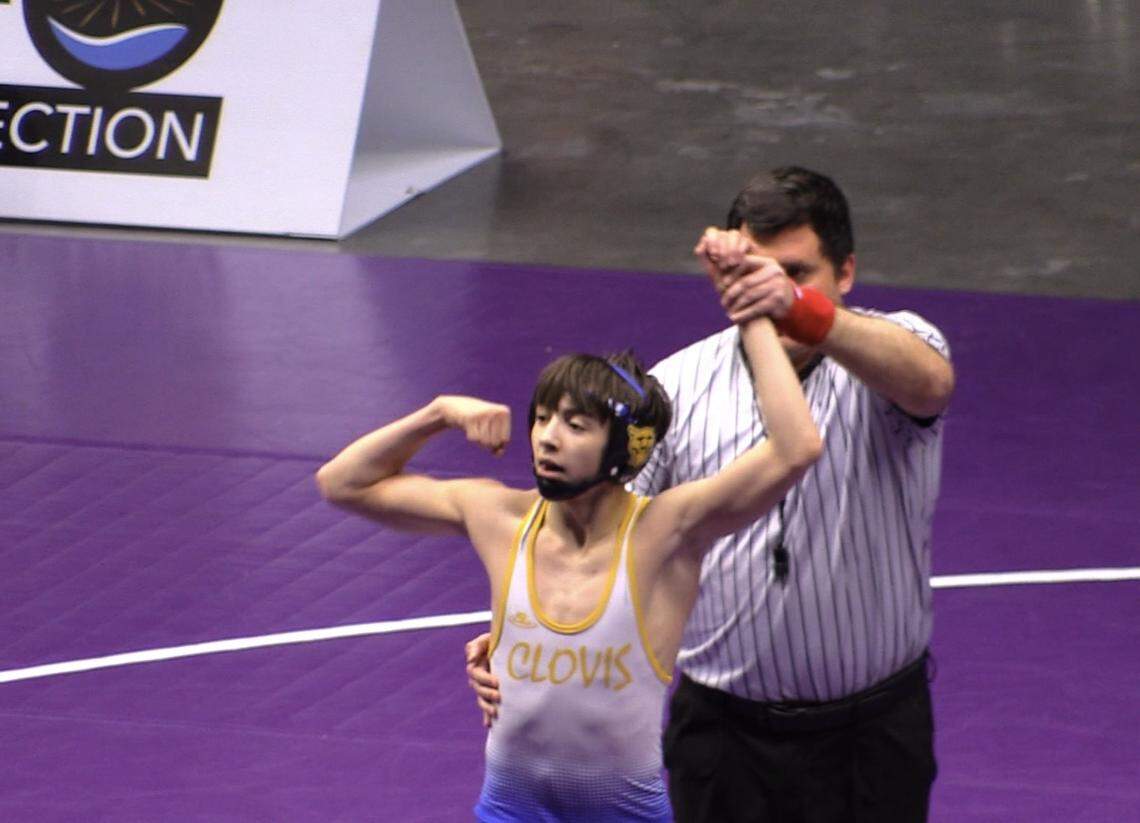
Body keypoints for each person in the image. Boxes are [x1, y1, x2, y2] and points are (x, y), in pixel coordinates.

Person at [466, 166, 955, 822]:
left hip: (871, 736)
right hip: (725, 737)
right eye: (756, 272)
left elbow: (930, 384)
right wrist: (522, 622)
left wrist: (800, 312)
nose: (773, 292)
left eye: (795, 274)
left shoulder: (894, 349)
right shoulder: (676, 387)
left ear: (845, 273)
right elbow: (600, 533)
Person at [316, 309, 821, 821]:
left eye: (575, 425)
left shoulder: (666, 533)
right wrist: (438, 414)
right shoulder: (498, 517)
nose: (547, 438)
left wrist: (754, 317)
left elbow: (796, 449)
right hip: (509, 809)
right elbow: (343, 484)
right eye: (542, 417)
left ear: (625, 450)